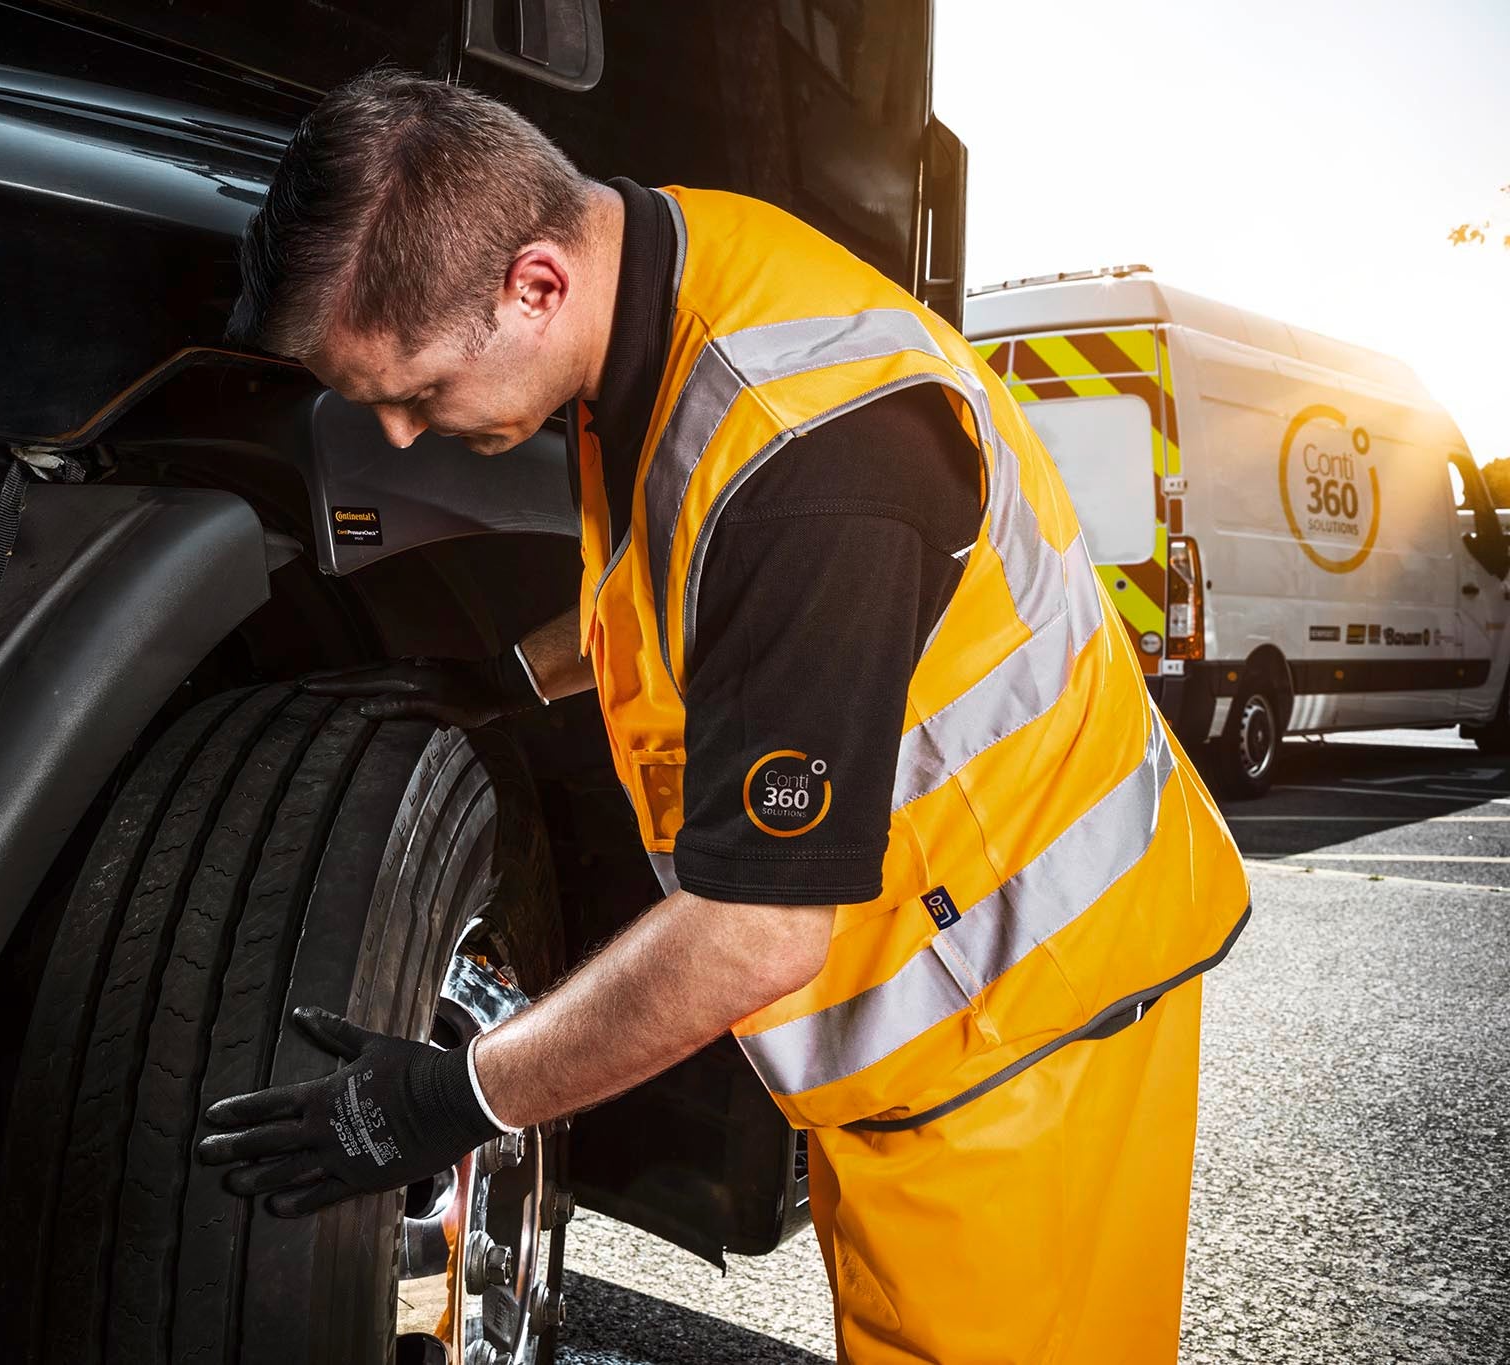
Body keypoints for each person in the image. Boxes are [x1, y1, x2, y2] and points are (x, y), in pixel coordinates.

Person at [196, 69, 1250, 1362]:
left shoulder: (809, 458)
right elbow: (694, 590)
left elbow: (754, 932)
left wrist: (453, 1096)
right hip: (932, 1014)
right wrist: (512, 681)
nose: (403, 438)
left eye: (413, 389)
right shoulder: (662, 271)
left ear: (535, 284)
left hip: (1027, 1031)